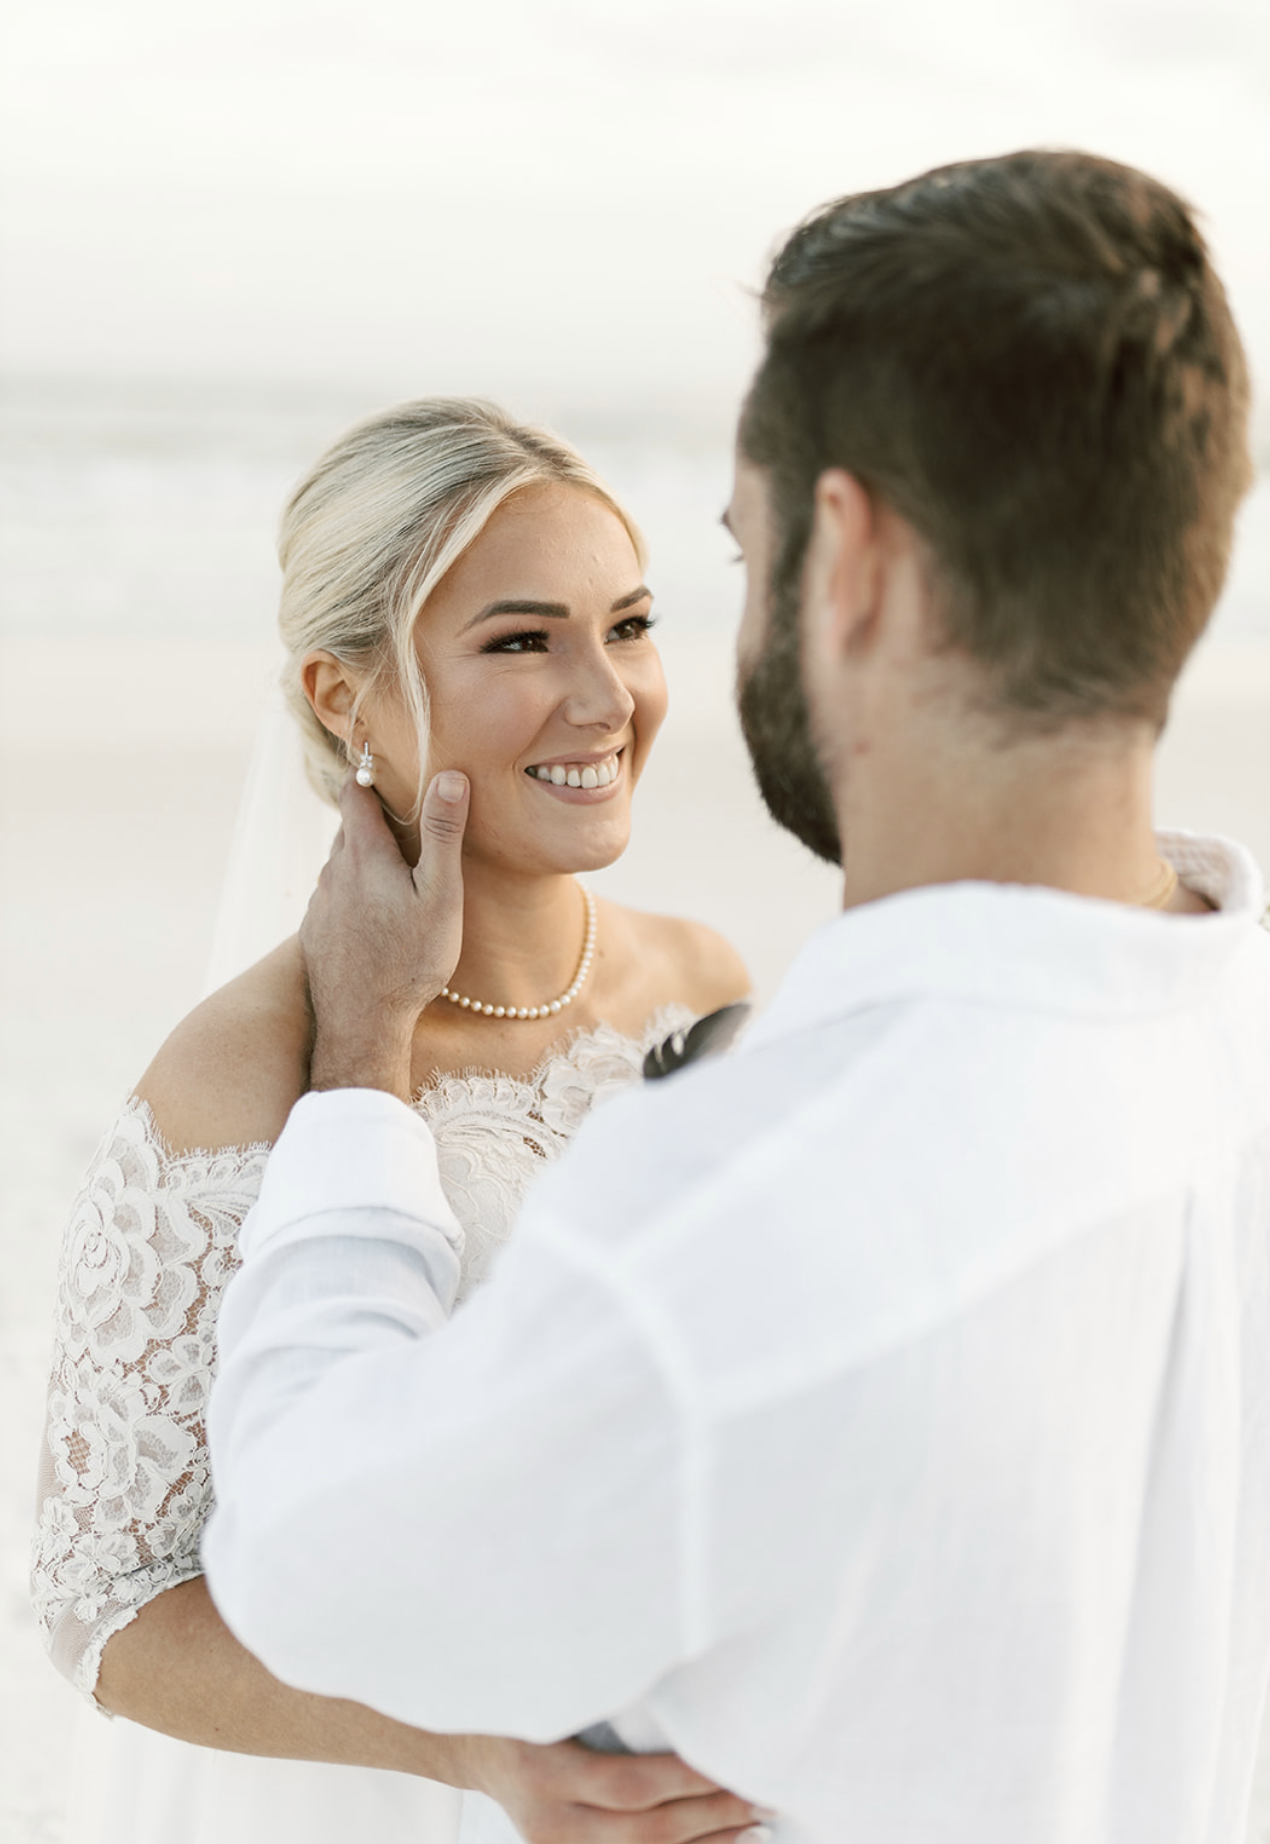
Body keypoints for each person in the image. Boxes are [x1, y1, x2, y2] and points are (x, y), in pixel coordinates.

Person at [203, 149, 1270, 1844]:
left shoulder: (754, 1217)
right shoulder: (1227, 1039)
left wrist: (353, 1078)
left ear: (846, 557)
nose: (630, 684)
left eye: (735, 556)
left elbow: (302, 1556)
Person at [31, 398, 759, 1844]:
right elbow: (106, 1606)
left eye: (625, 625)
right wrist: (472, 1759)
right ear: (339, 697)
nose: (606, 697)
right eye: (519, 641)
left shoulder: (700, 983)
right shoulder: (240, 1076)